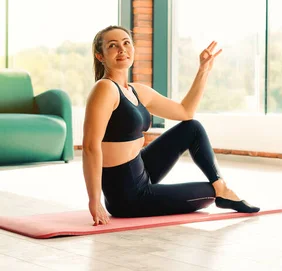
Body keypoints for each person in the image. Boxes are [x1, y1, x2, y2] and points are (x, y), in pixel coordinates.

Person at [82, 25, 259, 226]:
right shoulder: (104, 89)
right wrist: (94, 201)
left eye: (126, 43)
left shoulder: (137, 91)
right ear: (100, 56)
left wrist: (203, 71)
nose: (122, 49)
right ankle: (221, 191)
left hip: (142, 170)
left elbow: (185, 112)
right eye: (112, 45)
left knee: (192, 127)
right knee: (210, 192)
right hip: (127, 196)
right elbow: (90, 146)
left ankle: (223, 188)